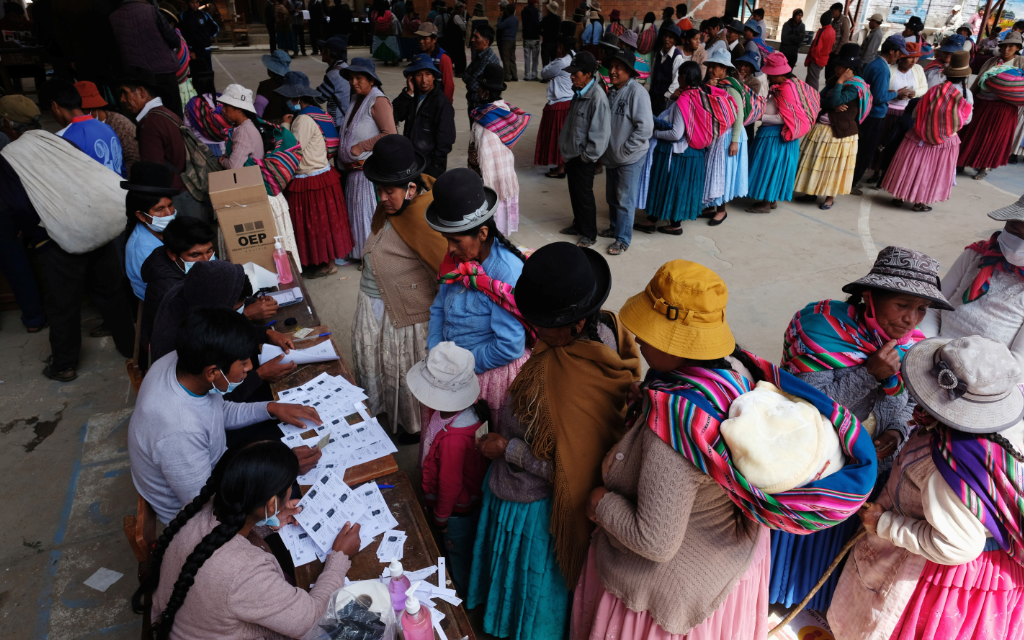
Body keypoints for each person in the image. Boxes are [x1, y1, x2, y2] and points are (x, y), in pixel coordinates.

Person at [573, 261, 817, 640]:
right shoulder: (737, 374)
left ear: (676, 343)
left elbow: (653, 541)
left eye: (650, 333)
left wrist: (600, 502)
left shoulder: (672, 432)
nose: (638, 339)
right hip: (731, 560)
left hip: (675, 590)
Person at [469, 241, 638, 640]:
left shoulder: (569, 375)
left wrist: (506, 449)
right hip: (528, 496)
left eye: (542, 323)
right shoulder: (606, 331)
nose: (535, 331)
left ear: (575, 324)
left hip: (540, 513)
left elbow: (570, 467)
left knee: (532, 596)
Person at [774, 246, 952, 612]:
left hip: (864, 471)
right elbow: (802, 406)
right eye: (902, 305)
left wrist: (896, 434)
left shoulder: (910, 348)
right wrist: (868, 374)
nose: (911, 321)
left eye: (921, 310)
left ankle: (814, 599)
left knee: (834, 542)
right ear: (870, 297)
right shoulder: (818, 329)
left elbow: (907, 408)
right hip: (811, 465)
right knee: (799, 537)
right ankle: (779, 591)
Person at [829, 335, 1024, 640]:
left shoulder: (945, 468)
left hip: (942, 569)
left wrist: (883, 523)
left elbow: (959, 546)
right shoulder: (1004, 426)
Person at [140, 440, 361, 636]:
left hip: (178, 621)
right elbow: (312, 621)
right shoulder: (244, 573)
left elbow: (226, 536)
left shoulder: (197, 508)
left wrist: (270, 521)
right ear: (271, 503)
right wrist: (339, 557)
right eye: (289, 488)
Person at [1, 132, 135, 382]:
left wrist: (37, 230)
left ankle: (64, 365)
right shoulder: (55, 140)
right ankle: (130, 347)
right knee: (110, 291)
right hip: (93, 222)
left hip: (57, 236)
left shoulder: (8, 158)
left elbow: (18, 206)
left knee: (62, 303)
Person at [353, 135, 447, 441]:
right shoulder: (392, 206)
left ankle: (411, 427)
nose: (381, 197)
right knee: (381, 367)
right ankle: (386, 415)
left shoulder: (426, 215)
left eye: (388, 190)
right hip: (378, 306)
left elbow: (446, 269)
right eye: (377, 188)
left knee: (405, 371)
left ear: (410, 188)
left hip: (407, 316)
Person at [425, 168, 529, 415]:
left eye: (456, 241)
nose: (449, 249)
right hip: (449, 369)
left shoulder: (506, 273)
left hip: (483, 376)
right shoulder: (456, 257)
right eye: (446, 239)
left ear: (482, 234)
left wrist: (459, 365)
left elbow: (509, 346)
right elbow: (439, 308)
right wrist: (436, 350)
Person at [409, 342, 490, 594]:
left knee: (457, 552)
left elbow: (449, 484)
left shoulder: (454, 438)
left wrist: (441, 518)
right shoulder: (464, 413)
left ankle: (462, 593)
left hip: (454, 511)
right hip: (463, 504)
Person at [920, 196, 1024, 371]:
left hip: (987, 377)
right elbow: (934, 306)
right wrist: (927, 352)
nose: (1019, 242)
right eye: (1014, 230)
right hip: (932, 351)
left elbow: (1018, 363)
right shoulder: (977, 254)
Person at [274, 71, 355, 275]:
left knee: (313, 225)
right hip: (325, 174)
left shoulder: (302, 120)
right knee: (326, 223)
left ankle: (325, 265)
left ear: (295, 98)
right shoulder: (320, 113)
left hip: (309, 178)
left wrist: (285, 124)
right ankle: (328, 262)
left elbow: (291, 149)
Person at [882, 50, 973, 212]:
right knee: (932, 171)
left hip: (919, 136)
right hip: (946, 141)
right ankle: (920, 202)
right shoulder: (966, 95)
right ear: (965, 76)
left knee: (911, 165)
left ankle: (899, 197)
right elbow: (966, 120)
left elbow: (916, 113)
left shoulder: (934, 90)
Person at [118, 67, 209, 224]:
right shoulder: (166, 113)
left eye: (125, 92)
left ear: (140, 92)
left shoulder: (150, 123)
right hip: (188, 192)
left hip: (177, 199)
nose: (122, 99)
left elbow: (153, 173)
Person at [634, 61, 706, 232]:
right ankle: (674, 222)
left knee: (664, 184)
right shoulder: (701, 94)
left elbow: (676, 133)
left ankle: (654, 220)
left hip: (675, 152)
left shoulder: (686, 98)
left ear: (683, 77)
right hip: (694, 152)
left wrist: (655, 133)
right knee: (681, 187)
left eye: (679, 75)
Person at [337, 58, 397, 260]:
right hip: (354, 172)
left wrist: (361, 146)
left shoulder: (378, 100)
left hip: (368, 172)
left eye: (359, 78)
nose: (354, 82)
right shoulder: (356, 99)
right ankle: (363, 254)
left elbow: (390, 134)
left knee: (370, 215)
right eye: (351, 78)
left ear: (371, 80)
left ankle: (374, 256)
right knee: (358, 216)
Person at [793, 43, 863, 210]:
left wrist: (840, 83)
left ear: (849, 69)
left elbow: (836, 100)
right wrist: (832, 103)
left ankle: (830, 197)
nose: (836, 68)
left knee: (834, 167)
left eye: (840, 66)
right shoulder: (834, 82)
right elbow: (818, 99)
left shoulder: (855, 86)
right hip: (823, 129)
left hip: (840, 133)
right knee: (816, 162)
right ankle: (811, 192)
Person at [598, 50, 652, 256]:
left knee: (624, 200)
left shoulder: (637, 93)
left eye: (617, 67)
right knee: (612, 197)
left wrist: (625, 149)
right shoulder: (612, 92)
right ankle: (614, 227)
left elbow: (645, 128)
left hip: (629, 158)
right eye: (611, 67)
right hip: (612, 157)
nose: (612, 71)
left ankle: (622, 239)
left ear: (629, 71)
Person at [745, 52, 811, 213]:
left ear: (778, 73)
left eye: (770, 74)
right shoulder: (790, 85)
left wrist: (761, 116)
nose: (768, 77)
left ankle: (767, 202)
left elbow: (784, 118)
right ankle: (771, 199)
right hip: (780, 136)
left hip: (776, 136)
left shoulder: (787, 89)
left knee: (770, 166)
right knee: (776, 167)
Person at [468, 63, 528, 236]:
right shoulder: (503, 112)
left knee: (489, 230)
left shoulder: (486, 121)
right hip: (504, 180)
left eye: (480, 87)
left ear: (486, 91)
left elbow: (485, 157)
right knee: (498, 232)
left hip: (490, 183)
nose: (477, 90)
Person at [559, 51, 610, 248]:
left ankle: (589, 233)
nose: (572, 76)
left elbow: (600, 134)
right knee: (575, 193)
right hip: (572, 154)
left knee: (584, 196)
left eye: (576, 73)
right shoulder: (578, 92)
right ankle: (578, 225)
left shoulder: (597, 98)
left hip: (583, 158)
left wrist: (586, 157)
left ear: (588, 74)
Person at [140, 216, 216, 347]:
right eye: (195, 255)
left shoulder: (175, 259)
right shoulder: (171, 292)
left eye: (209, 251)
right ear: (172, 255)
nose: (206, 260)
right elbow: (190, 337)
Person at [958, 32, 1024, 180]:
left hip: (1004, 109)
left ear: (1017, 48)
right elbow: (979, 80)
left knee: (993, 138)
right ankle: (961, 162)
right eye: (1004, 46)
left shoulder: (1021, 63)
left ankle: (983, 167)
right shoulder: (991, 61)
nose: (1006, 50)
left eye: (1011, 46)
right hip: (983, 104)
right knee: (972, 134)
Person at [852, 35, 909, 193]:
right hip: (874, 115)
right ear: (892, 51)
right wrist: (896, 94)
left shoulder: (874, 63)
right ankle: (853, 182)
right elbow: (878, 98)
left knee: (862, 148)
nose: (899, 57)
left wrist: (888, 92)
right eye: (898, 53)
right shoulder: (882, 68)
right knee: (865, 151)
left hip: (867, 113)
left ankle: (852, 180)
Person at [109, 0, 183, 117]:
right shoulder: (150, 10)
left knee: (147, 118)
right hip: (163, 73)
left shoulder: (113, 17)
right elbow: (174, 40)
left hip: (137, 80)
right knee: (173, 115)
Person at [701, 47, 747, 226]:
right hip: (719, 135)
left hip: (729, 136)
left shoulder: (730, 87)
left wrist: (734, 141)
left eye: (717, 66)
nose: (712, 69)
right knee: (714, 170)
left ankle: (722, 210)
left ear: (725, 68)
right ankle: (712, 206)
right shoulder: (716, 85)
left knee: (723, 173)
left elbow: (739, 115)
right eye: (711, 65)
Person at [42, 79, 125, 178]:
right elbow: (122, 170)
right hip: (119, 190)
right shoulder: (108, 128)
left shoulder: (60, 139)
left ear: (54, 106)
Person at [123, 162, 181, 301]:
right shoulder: (143, 249)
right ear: (141, 216)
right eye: (160, 209)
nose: (169, 213)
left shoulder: (172, 230)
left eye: (170, 205)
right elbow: (168, 291)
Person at [393, 55, 456, 178]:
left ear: (433, 77)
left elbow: (445, 139)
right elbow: (395, 114)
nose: (424, 80)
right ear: (411, 78)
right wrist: (407, 93)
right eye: (419, 75)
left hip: (430, 166)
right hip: (411, 161)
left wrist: (435, 166)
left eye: (427, 74)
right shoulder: (411, 97)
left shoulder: (442, 103)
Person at [75, 81, 140, 176]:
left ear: (95, 107)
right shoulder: (76, 128)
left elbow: (134, 159)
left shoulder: (120, 124)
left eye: (84, 111)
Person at [536, 36, 575, 178]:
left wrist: (553, 75)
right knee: (567, 137)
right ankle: (565, 165)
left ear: (561, 47)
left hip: (560, 104)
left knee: (558, 136)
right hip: (571, 101)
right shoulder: (575, 57)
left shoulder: (561, 61)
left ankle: (560, 168)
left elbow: (545, 72)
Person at [217, 84, 270, 170]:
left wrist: (222, 161)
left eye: (226, 106)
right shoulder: (244, 125)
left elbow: (234, 166)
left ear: (239, 108)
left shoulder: (244, 131)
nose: (223, 110)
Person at [465, 24, 502, 117]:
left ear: (486, 42)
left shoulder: (487, 59)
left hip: (481, 106)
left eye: (476, 37)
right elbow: (465, 75)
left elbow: (473, 85)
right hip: (474, 104)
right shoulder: (480, 56)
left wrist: (471, 76)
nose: (472, 40)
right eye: (473, 36)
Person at [648, 23, 683, 117]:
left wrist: (667, 95)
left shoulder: (677, 57)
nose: (667, 39)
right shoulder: (659, 52)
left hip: (664, 96)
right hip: (654, 92)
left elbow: (676, 79)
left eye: (670, 37)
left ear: (675, 40)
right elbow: (653, 71)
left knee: (660, 118)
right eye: (666, 36)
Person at [316, 35, 351, 128]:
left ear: (328, 53)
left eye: (322, 50)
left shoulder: (333, 75)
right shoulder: (345, 66)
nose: (321, 53)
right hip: (349, 118)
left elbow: (319, 98)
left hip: (339, 122)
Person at [416, 22, 455, 102]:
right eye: (420, 38)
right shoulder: (417, 55)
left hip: (436, 101)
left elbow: (448, 85)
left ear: (434, 39)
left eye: (425, 38)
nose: (421, 41)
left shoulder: (443, 58)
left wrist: (446, 105)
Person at [178, 0, 218, 76]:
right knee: (194, 73)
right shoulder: (182, 16)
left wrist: (206, 37)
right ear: (188, 3)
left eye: (197, 2)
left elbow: (215, 28)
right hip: (191, 50)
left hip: (205, 50)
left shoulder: (204, 15)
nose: (195, 5)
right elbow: (179, 32)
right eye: (192, 2)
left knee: (208, 72)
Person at [257, 50, 293, 124]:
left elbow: (258, 110)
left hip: (270, 128)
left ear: (270, 69)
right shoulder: (293, 85)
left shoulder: (265, 86)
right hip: (291, 126)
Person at [805, 12, 835, 92]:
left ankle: (812, 98)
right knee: (812, 78)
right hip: (823, 58)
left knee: (812, 81)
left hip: (817, 60)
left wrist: (813, 58)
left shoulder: (823, 31)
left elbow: (817, 47)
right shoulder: (832, 31)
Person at [370, 0, 400, 65]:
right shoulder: (390, 14)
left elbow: (373, 24)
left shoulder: (376, 14)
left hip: (379, 35)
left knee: (383, 48)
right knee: (391, 48)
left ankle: (385, 60)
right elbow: (394, 23)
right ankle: (393, 61)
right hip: (390, 34)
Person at [496, 1, 519, 82]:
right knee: (512, 58)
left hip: (506, 40)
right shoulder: (516, 19)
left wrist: (499, 18)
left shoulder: (508, 20)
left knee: (506, 59)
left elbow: (499, 26)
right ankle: (514, 75)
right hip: (513, 40)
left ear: (508, 11)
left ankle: (507, 75)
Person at [521, 0, 541, 81]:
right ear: (534, 3)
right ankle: (534, 75)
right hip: (535, 37)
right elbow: (539, 23)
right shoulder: (538, 12)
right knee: (535, 58)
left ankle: (527, 75)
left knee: (527, 57)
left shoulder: (523, 12)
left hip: (526, 37)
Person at [540, 1, 561, 67]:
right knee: (554, 62)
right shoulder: (558, 19)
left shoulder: (545, 19)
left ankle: (545, 76)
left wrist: (544, 34)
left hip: (546, 42)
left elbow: (539, 28)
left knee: (545, 62)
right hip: (555, 43)